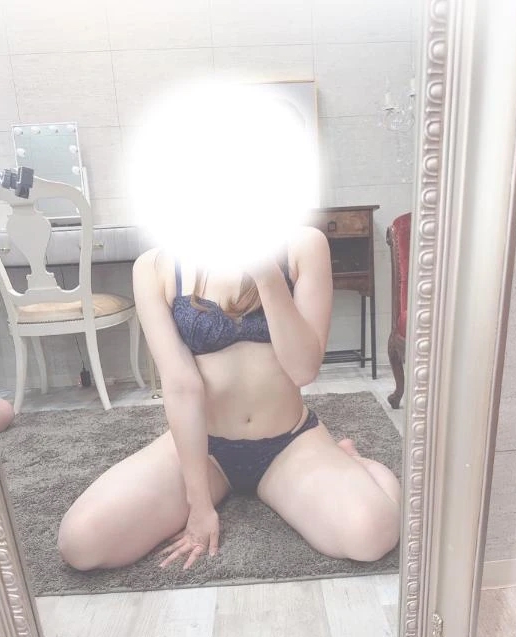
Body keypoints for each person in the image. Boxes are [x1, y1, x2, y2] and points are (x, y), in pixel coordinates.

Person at [57, 87, 401, 572]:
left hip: (288, 443)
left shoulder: (304, 245)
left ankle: (354, 461)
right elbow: (181, 386)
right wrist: (198, 505)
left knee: (372, 533)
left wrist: (263, 270)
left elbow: (303, 369)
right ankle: (238, 485)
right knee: (82, 542)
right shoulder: (155, 266)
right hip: (205, 448)